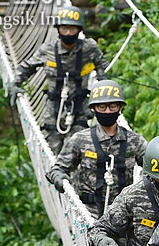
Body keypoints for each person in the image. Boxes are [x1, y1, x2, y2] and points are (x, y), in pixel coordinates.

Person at [9, 5, 109, 154]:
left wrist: (107, 97)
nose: (68, 33)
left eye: (72, 29)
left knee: (75, 150)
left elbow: (103, 72)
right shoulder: (47, 50)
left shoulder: (90, 48)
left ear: (79, 30)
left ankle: (70, 178)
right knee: (51, 152)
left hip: (79, 109)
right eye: (64, 28)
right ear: (58, 29)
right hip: (53, 112)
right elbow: (27, 67)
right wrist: (14, 84)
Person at [45, 79, 147, 218]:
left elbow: (153, 169)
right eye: (102, 107)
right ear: (93, 109)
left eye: (112, 106)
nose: (107, 111)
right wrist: (60, 179)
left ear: (120, 108)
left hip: (124, 216)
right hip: (89, 215)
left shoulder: (135, 141)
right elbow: (57, 169)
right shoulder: (80, 140)